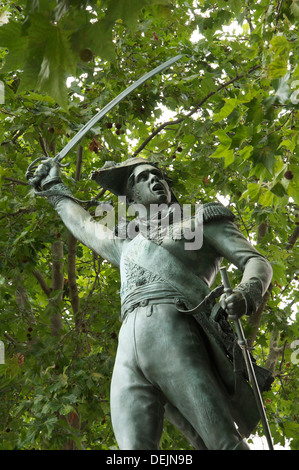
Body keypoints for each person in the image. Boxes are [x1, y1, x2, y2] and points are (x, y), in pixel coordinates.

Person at [28, 156, 273, 450]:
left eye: (158, 175)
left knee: (222, 443)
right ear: (131, 194)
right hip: (127, 351)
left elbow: (255, 261)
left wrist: (246, 294)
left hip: (177, 334)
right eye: (143, 178)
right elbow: (83, 224)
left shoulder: (199, 220)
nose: (155, 180)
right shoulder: (124, 243)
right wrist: (54, 186)